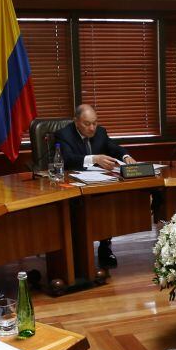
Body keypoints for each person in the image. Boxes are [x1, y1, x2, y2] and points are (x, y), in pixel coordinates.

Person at [57, 104, 136, 268]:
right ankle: (77, 250)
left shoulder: (100, 132)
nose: (92, 128)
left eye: (95, 123)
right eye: (87, 124)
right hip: (73, 184)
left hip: (98, 182)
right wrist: (94, 158)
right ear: (76, 121)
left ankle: (105, 246)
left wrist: (125, 156)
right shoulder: (64, 134)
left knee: (106, 203)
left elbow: (113, 147)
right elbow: (67, 159)